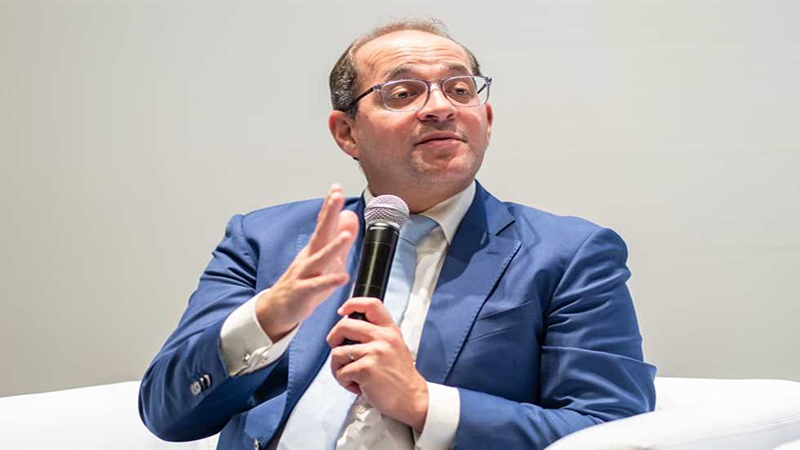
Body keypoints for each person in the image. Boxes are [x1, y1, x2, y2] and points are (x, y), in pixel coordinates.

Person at [139, 18, 656, 450]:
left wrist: (422, 402)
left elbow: (612, 428)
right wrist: (268, 318)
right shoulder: (264, 239)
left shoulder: (568, 254)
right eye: (403, 93)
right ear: (347, 133)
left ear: (486, 119)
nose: (440, 107)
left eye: (459, 90)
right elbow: (167, 414)